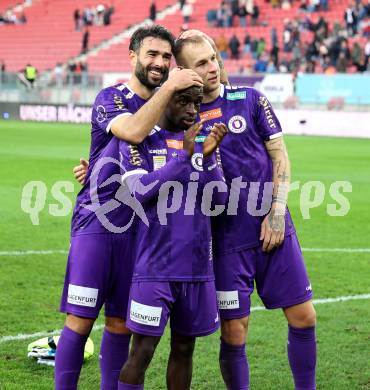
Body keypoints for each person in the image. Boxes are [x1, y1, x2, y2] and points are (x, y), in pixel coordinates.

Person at [56, 24, 203, 390]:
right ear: (133, 56)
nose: (159, 62)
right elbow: (135, 133)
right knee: (81, 319)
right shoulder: (112, 98)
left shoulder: (171, 107)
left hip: (142, 231)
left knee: (120, 323)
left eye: (166, 57)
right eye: (151, 54)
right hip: (99, 223)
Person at [174, 32, 317, 390]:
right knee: (234, 332)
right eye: (200, 63)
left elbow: (279, 155)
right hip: (224, 241)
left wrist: (277, 212)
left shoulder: (250, 99)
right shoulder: (182, 119)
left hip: (273, 226)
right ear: (183, 71)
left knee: (304, 317)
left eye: (212, 58)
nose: (211, 67)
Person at [117, 86, 228, 390]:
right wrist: (184, 157)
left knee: (183, 349)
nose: (193, 109)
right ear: (163, 101)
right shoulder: (140, 141)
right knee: (141, 353)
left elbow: (218, 202)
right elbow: (138, 192)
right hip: (155, 270)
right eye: (183, 101)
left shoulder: (201, 143)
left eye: (196, 103)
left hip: (195, 271)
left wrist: (209, 159)